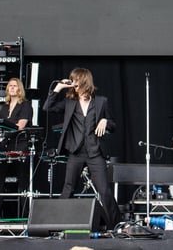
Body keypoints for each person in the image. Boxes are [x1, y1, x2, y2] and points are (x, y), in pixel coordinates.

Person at [43, 68, 120, 229]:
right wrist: (57, 89)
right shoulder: (69, 103)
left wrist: (105, 120)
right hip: (76, 152)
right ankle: (57, 225)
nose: (73, 82)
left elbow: (113, 125)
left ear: (84, 81)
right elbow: (47, 107)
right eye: (72, 79)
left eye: (76, 79)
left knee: (104, 190)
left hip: (95, 152)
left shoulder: (101, 101)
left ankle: (116, 226)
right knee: (68, 188)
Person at [0, 78, 33, 218]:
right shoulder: (5, 107)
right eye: (10, 86)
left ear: (20, 89)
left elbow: (21, 126)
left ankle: (26, 215)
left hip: (19, 144)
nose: (12, 88)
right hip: (4, 144)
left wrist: (5, 130)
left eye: (15, 86)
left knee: (23, 180)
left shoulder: (25, 105)